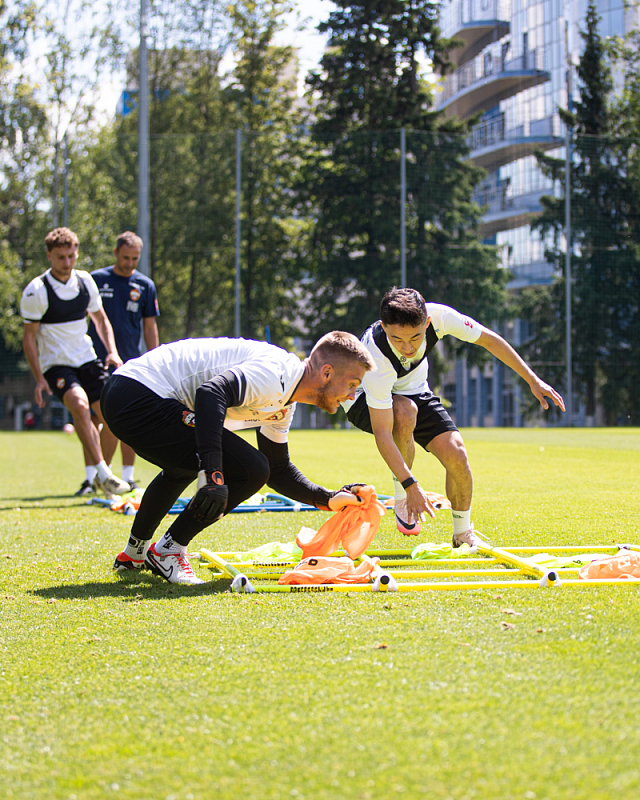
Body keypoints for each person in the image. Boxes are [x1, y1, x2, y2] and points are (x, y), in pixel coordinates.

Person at [102, 332, 376, 585]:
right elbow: (212, 393)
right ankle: (168, 551)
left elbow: (278, 469)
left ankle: (134, 554)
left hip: (129, 395)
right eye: (352, 384)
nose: (352, 395)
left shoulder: (285, 401)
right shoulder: (278, 373)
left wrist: (327, 498)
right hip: (136, 395)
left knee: (188, 463)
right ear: (327, 372)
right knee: (250, 468)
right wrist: (214, 474)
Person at [343, 287, 565, 548]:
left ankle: (462, 534)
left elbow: (490, 340)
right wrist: (409, 485)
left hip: (414, 391)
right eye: (397, 339)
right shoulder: (375, 356)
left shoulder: (440, 318)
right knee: (404, 412)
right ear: (383, 326)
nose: (408, 347)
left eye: (415, 337)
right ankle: (400, 497)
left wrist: (532, 379)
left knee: (457, 453)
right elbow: (383, 433)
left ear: (426, 322)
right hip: (361, 399)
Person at [20, 227, 131, 498]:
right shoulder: (37, 291)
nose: (67, 262)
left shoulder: (85, 282)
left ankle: (100, 479)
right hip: (56, 366)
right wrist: (39, 378)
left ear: (77, 253)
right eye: (61, 257)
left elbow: (101, 320)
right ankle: (104, 475)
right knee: (80, 407)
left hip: (87, 359)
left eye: (71, 256)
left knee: (112, 416)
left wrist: (112, 351)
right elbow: (29, 338)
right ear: (49, 255)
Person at [76, 231, 160, 495]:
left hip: (130, 363)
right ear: (115, 254)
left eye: (135, 258)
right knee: (92, 419)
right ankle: (92, 479)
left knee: (128, 418)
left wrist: (154, 359)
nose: (130, 263)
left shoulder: (145, 285)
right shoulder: (96, 280)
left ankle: (128, 477)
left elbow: (150, 326)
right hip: (93, 361)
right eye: (125, 258)